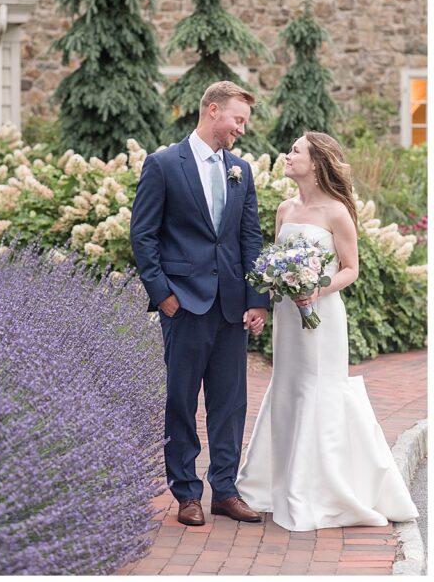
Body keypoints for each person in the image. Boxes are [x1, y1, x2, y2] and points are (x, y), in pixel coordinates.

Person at [235, 132, 418, 531]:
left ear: (316, 163)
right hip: (288, 314)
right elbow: (275, 259)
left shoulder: (336, 211)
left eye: (295, 151)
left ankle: (323, 488)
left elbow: (351, 268)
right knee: (288, 386)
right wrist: (274, 290)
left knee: (319, 388)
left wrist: (317, 288)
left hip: (322, 316)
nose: (287, 155)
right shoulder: (284, 208)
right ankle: (279, 482)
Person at [130, 80, 269, 527]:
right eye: (237, 120)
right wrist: (163, 294)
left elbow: (250, 238)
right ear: (213, 111)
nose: (240, 130)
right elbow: (143, 235)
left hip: (231, 307)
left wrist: (257, 300)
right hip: (184, 305)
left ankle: (225, 491)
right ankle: (186, 492)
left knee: (231, 404)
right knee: (182, 401)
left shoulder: (241, 171)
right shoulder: (164, 164)